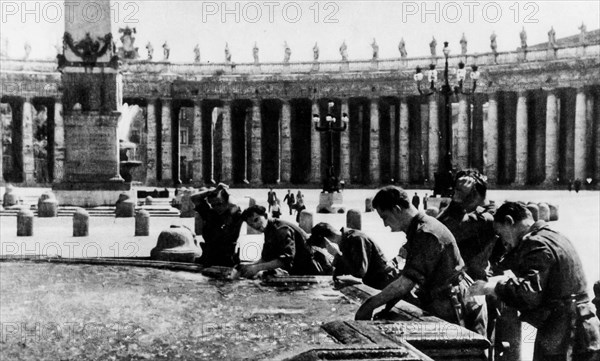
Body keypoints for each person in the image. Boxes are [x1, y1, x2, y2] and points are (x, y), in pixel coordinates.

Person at [468, 202, 600, 361]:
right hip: (578, 329)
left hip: (564, 335)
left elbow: (528, 293)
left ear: (509, 222)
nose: (503, 241)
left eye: (500, 233)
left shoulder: (535, 242)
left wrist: (493, 287)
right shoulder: (552, 235)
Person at [354, 186, 487, 338]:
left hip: (455, 305)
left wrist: (371, 304)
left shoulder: (426, 233)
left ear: (397, 209)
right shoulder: (418, 229)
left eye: (385, 217)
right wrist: (385, 308)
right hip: (446, 301)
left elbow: (406, 283)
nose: (385, 224)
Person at [238, 205, 329, 277]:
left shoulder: (281, 229)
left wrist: (256, 268)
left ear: (265, 216)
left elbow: (285, 260)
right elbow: (266, 259)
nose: (255, 225)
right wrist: (248, 266)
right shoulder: (268, 229)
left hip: (310, 271)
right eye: (251, 224)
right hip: (298, 270)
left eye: (256, 219)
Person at [310, 222, 399, 290]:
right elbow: (340, 270)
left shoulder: (356, 239)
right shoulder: (344, 241)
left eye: (323, 247)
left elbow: (360, 271)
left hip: (385, 282)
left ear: (326, 240)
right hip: (374, 282)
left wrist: (336, 254)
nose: (325, 250)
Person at [191, 183, 244, 267]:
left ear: (227, 201)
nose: (216, 207)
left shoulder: (234, 214)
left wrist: (226, 191)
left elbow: (234, 204)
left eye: (219, 204)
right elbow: (194, 198)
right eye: (213, 205)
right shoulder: (210, 214)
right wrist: (212, 191)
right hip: (208, 259)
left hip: (227, 261)